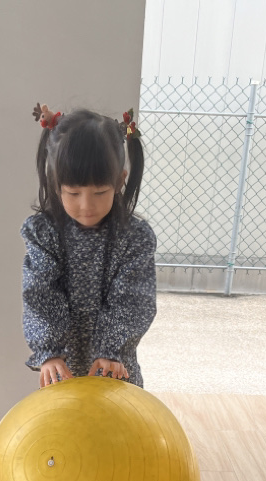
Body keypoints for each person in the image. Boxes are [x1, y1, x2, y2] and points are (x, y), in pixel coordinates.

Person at [20, 103, 157, 389]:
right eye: (73, 193)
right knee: (65, 419)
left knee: (117, 419)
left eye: (100, 192)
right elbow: (40, 292)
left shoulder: (134, 237)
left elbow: (134, 299)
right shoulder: (44, 233)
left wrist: (111, 350)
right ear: (55, 183)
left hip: (115, 368)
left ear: (119, 181)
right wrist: (49, 352)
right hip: (62, 370)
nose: (86, 205)